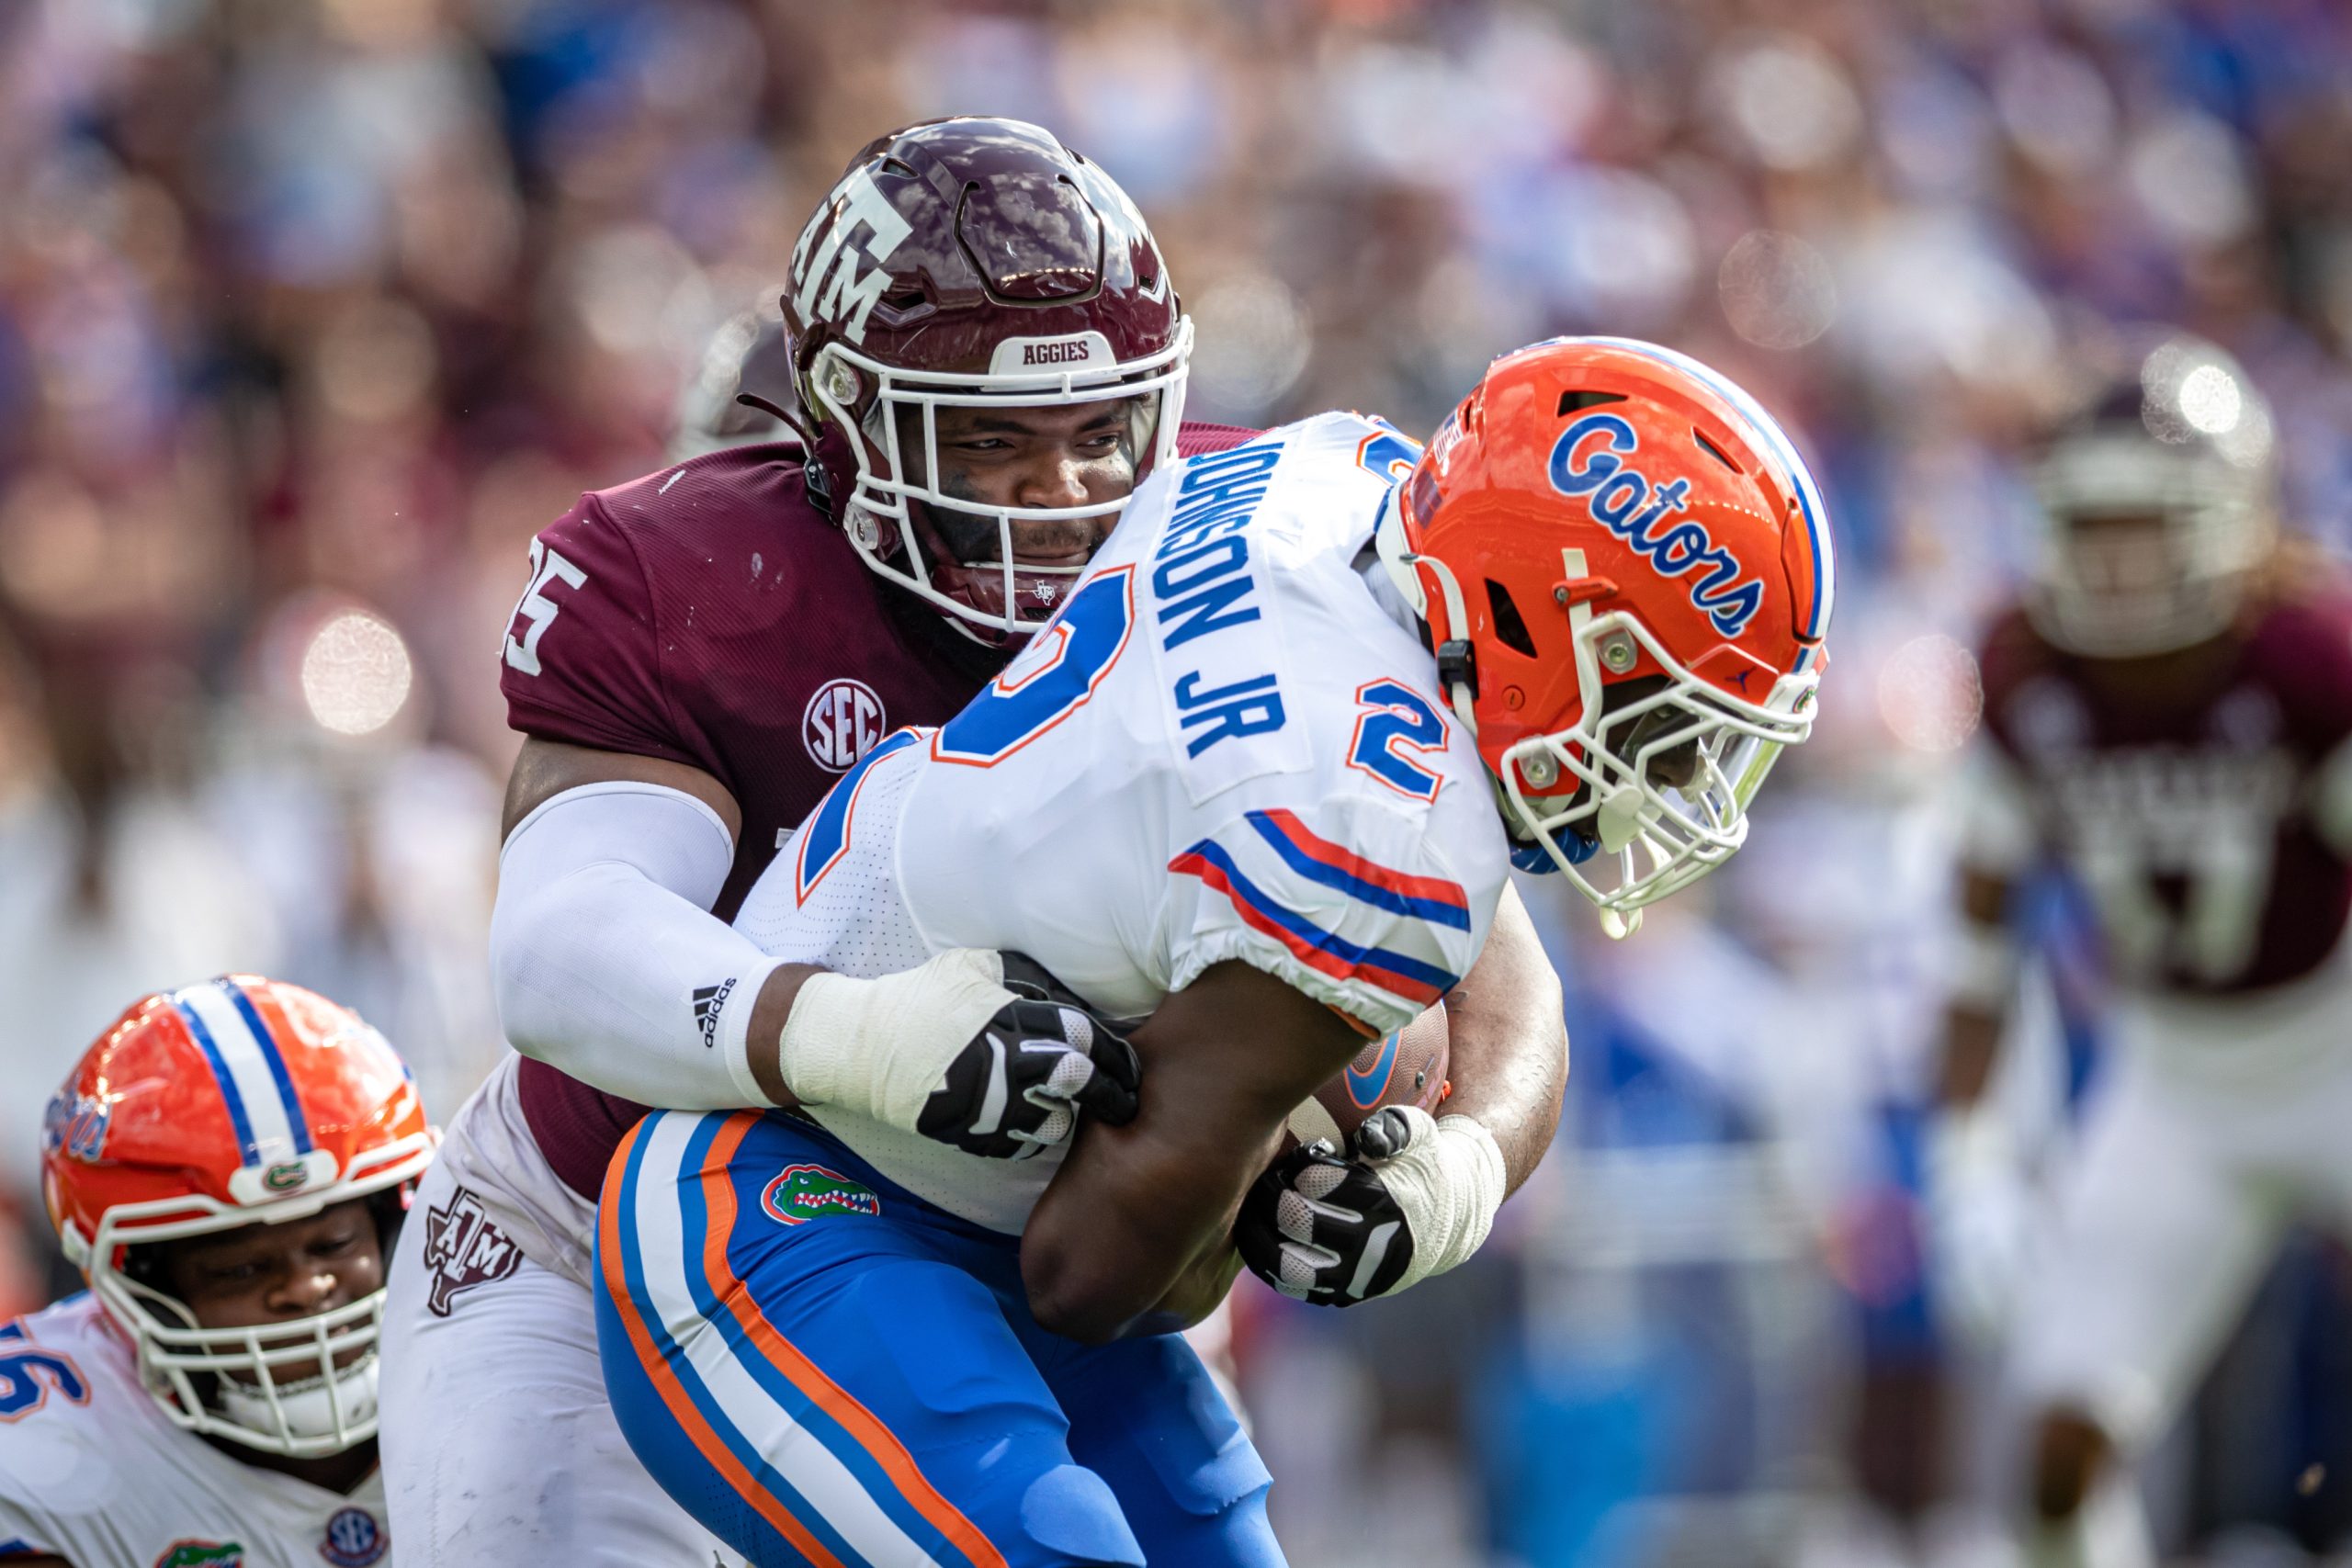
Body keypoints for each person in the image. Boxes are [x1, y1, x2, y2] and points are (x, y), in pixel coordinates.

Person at [379, 115, 1574, 1564]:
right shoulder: (695, 571)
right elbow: (564, 948)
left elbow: (1474, 931)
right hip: (604, 1225)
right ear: (837, 428)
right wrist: (856, 1031)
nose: (1065, 491)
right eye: (990, 436)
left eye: (1098, 430)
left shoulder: (1241, 539)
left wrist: (1460, 1166)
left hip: (1002, 1238)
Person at [594, 335, 1837, 1566]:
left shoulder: (1336, 478)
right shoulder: (1370, 835)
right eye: (1663, 715)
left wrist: (1455, 1176)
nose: (1677, 775)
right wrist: (1290, 1134)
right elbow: (1102, 1272)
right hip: (792, 1201)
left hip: (963, 1180)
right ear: (1550, 630)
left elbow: (1494, 946)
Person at [1924, 330, 2352, 1568]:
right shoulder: (2023, 674)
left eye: (2149, 524)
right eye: (2092, 526)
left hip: (2337, 1036)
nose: (2116, 564)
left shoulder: (2312, 661)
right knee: (2057, 1447)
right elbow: (1975, 937)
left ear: (2237, 521)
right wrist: (1967, 1161)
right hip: (2175, 1079)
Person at [0, 976, 433, 1568]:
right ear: (143, 1285)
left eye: (334, 1242)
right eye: (241, 1268)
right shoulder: (39, 1453)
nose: (306, 1287)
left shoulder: (521, 1359)